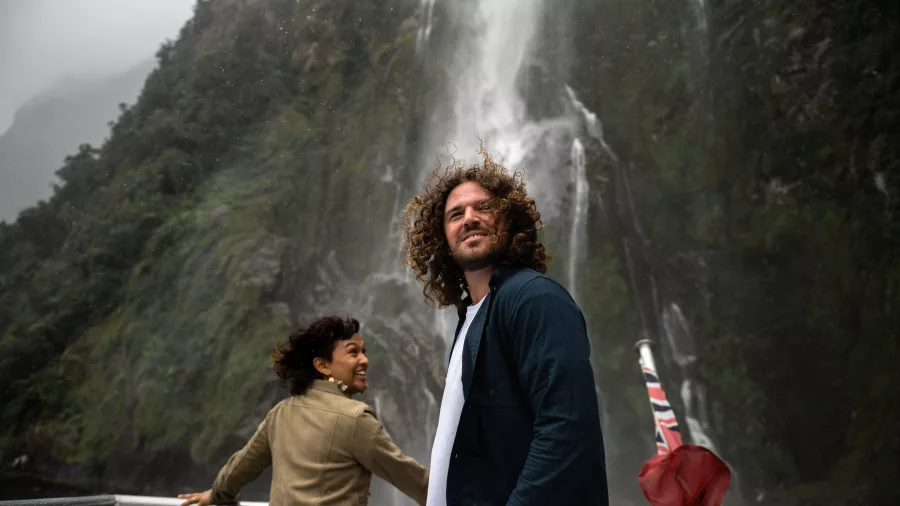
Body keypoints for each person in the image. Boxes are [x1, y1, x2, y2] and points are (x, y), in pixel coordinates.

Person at [401, 149, 609, 506]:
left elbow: (566, 428)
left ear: (510, 221)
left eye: (483, 207)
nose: (469, 218)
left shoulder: (534, 298)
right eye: (455, 214)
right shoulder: (471, 317)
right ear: (443, 240)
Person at [176, 316, 429, 506]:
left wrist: (216, 495)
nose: (364, 360)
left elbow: (241, 467)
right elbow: (412, 479)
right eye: (353, 352)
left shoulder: (281, 413)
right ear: (323, 366)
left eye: (364, 352)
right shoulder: (355, 419)